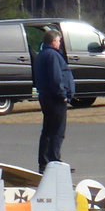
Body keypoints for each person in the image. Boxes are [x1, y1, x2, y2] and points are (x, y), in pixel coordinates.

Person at [32, 26, 74, 171]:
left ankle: (46, 162)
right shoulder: (52, 55)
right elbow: (56, 78)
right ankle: (53, 162)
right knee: (56, 131)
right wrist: (62, 95)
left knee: (48, 130)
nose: (59, 43)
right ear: (53, 41)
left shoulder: (42, 54)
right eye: (58, 41)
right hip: (54, 98)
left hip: (46, 96)